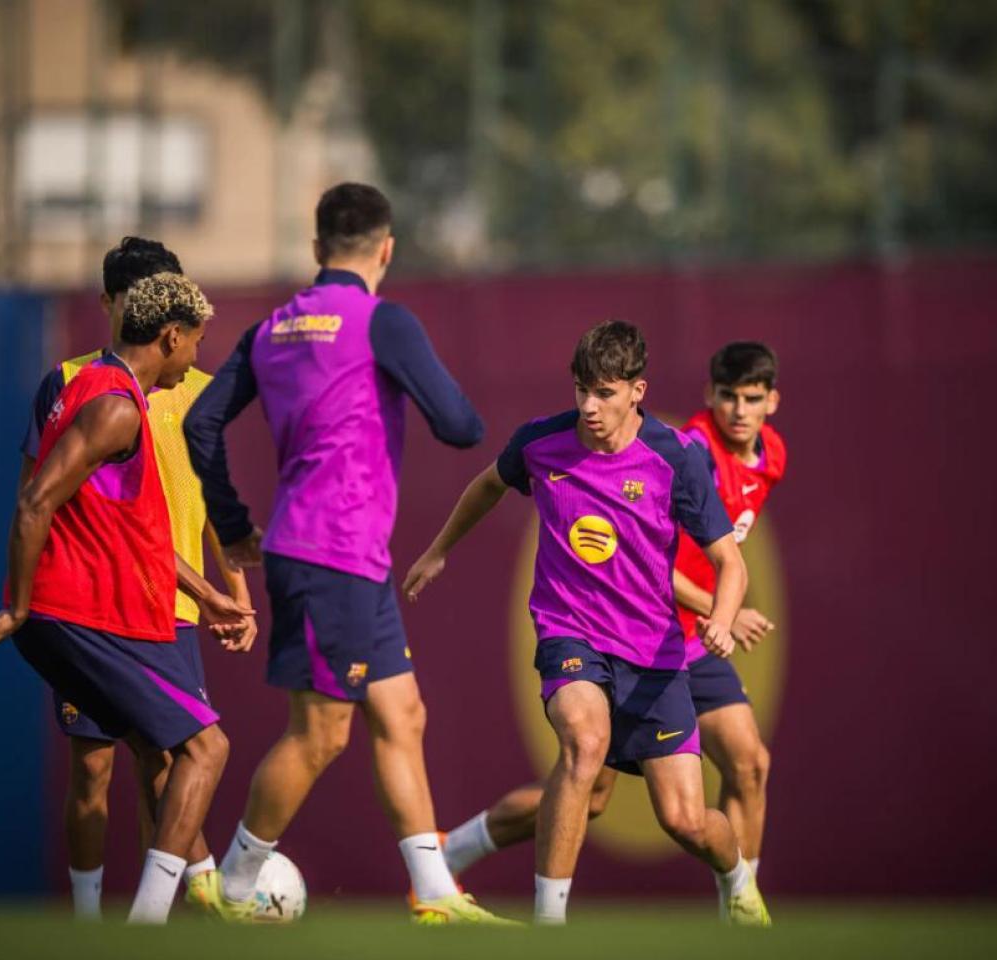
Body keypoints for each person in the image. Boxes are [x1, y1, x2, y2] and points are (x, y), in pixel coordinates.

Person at [184, 182, 506, 924]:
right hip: (334, 552)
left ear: (315, 247)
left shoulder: (272, 329)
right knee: (321, 734)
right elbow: (460, 426)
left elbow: (202, 424)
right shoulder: (382, 321)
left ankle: (433, 896)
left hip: (339, 554)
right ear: (387, 250)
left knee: (402, 712)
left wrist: (232, 522)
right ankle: (230, 890)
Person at [404, 320, 768, 926]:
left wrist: (723, 621)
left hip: (653, 656)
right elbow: (488, 485)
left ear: (637, 390)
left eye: (603, 392)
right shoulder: (541, 443)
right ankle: (552, 927)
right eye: (581, 390)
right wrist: (440, 548)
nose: (589, 406)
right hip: (569, 632)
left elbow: (729, 562)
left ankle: (738, 881)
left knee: (683, 818)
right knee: (584, 740)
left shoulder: (674, 456)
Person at [0, 273, 253, 925]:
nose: (197, 357)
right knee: (207, 750)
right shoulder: (118, 405)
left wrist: (207, 595)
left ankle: (138, 917)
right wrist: (19, 604)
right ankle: (146, 926)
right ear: (170, 336)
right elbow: (35, 498)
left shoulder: (97, 389)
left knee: (163, 753)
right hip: (81, 612)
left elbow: (136, 533)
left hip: (80, 612)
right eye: (196, 343)